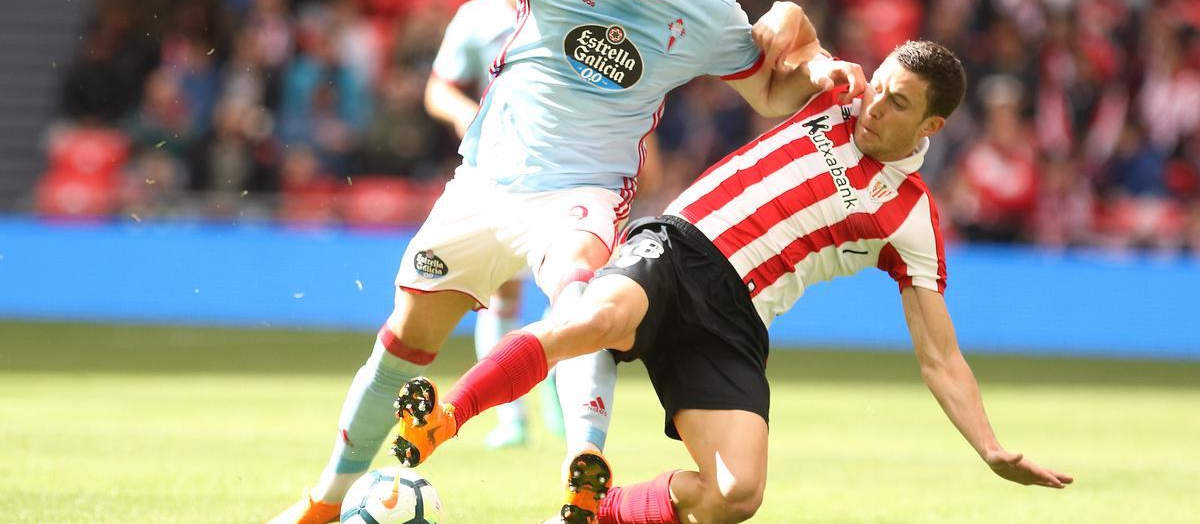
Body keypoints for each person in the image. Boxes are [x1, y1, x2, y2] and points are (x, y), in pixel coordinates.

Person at [271, 0, 861, 522]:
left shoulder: (705, 10)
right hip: (486, 180)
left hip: (583, 191)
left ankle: (585, 468)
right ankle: (322, 502)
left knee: (582, 289)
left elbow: (766, 91)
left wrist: (818, 69)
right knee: (404, 341)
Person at [389, 41, 1074, 524]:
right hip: (681, 245)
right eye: (881, 86)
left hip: (737, 319)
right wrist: (814, 56)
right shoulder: (837, 95)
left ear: (932, 125)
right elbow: (782, 22)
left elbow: (940, 354)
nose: (875, 108)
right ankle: (441, 418)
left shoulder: (913, 217)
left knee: (735, 494)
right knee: (597, 318)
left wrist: (989, 445)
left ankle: (595, 510)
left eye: (898, 104)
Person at [423, 0, 563, 448]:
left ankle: (563, 406)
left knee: (571, 291)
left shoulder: (567, 6)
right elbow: (436, 90)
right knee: (501, 293)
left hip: (566, 168)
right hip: (501, 169)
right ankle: (513, 418)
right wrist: (465, 114)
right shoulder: (475, 18)